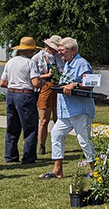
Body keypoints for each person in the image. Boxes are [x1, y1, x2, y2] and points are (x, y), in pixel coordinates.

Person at [40, 38, 96, 179]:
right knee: (56, 134)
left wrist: (75, 85)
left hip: (80, 110)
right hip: (66, 110)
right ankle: (57, 170)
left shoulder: (82, 63)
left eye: (62, 49)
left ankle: (95, 171)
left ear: (72, 50)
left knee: (84, 140)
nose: (59, 52)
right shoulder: (67, 64)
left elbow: (91, 82)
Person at [1, 37, 41, 164]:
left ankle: (10, 156)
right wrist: (43, 82)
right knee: (30, 127)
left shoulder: (10, 62)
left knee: (12, 127)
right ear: (30, 52)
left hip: (11, 94)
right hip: (25, 95)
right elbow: (35, 82)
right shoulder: (30, 63)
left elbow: (3, 82)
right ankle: (28, 157)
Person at [31, 35, 63, 158]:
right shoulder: (37, 58)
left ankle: (58, 144)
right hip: (44, 88)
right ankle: (42, 145)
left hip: (58, 87)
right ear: (48, 46)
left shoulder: (59, 57)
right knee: (44, 120)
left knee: (58, 119)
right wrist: (47, 75)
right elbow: (33, 77)